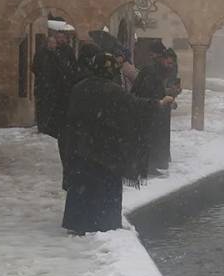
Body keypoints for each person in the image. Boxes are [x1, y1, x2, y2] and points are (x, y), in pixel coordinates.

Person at [60, 44, 174, 234]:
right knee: (105, 188)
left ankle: (78, 223)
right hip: (105, 151)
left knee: (82, 187)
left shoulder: (79, 88)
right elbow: (135, 106)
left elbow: (70, 118)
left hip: (80, 148)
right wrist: (159, 103)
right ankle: (104, 223)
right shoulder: (112, 91)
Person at [131, 41, 181, 174]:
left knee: (156, 138)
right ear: (163, 60)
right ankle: (148, 166)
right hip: (147, 111)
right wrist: (161, 100)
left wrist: (170, 97)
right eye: (169, 63)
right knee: (149, 139)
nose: (171, 67)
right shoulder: (151, 71)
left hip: (156, 110)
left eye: (172, 64)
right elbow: (147, 92)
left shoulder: (160, 71)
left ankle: (153, 164)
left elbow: (160, 91)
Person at [31, 18, 77, 138]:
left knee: (55, 109)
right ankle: (44, 127)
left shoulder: (66, 51)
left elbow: (70, 67)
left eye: (61, 38)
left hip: (58, 87)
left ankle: (51, 127)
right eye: (57, 39)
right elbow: (35, 67)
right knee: (45, 108)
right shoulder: (44, 53)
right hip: (46, 87)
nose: (58, 41)